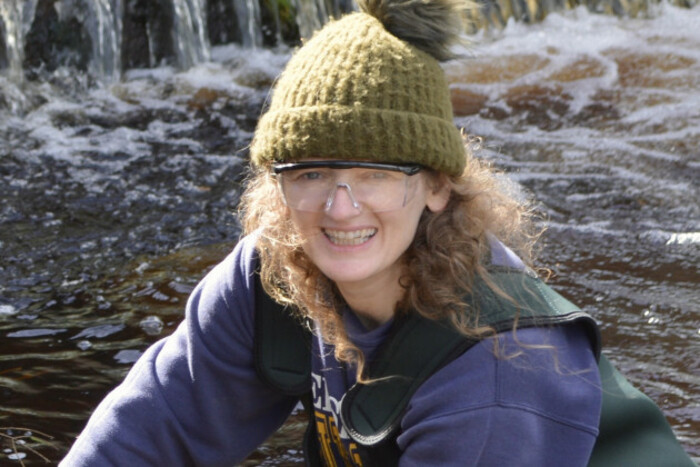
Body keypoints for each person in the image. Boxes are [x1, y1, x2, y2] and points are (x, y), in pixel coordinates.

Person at [61, 0, 606, 465]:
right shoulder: (269, 277)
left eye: (376, 174)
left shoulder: (497, 378)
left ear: (438, 187)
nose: (340, 209)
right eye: (311, 173)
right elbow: (145, 435)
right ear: (278, 187)